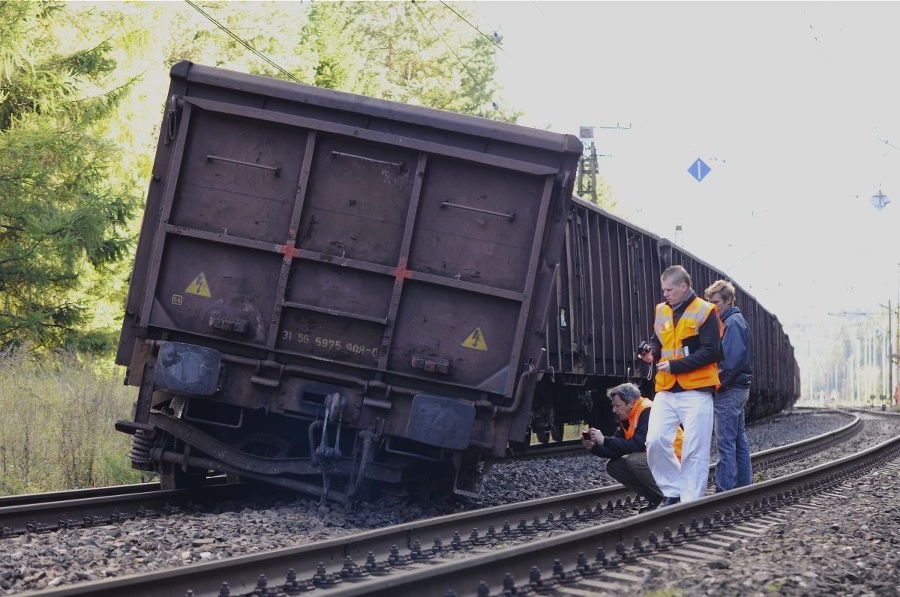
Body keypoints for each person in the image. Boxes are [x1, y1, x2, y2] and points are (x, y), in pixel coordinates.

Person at [639, 265, 723, 505]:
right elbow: (659, 342)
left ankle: (690, 502)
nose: (665, 294)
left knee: (695, 449)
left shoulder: (706, 312)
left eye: (669, 289)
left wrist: (676, 366)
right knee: (654, 441)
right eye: (663, 289)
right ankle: (674, 490)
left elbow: (712, 352)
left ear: (684, 287)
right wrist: (651, 354)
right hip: (666, 388)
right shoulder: (662, 311)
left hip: (696, 390)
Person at [581, 382, 684, 512]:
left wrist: (605, 440)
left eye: (617, 405)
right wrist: (594, 447)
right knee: (614, 466)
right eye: (613, 405)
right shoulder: (628, 416)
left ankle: (671, 497)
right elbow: (616, 449)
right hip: (655, 459)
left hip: (675, 459)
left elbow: (638, 444)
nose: (614, 410)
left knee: (634, 460)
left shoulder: (647, 410)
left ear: (630, 402)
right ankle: (656, 498)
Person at [704, 279, 754, 492]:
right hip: (739, 389)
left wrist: (715, 385)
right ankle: (743, 487)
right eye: (710, 302)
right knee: (738, 441)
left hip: (729, 390)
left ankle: (724, 492)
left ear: (729, 300)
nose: (713, 307)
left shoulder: (732, 323)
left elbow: (731, 361)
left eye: (717, 302)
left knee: (726, 443)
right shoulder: (735, 320)